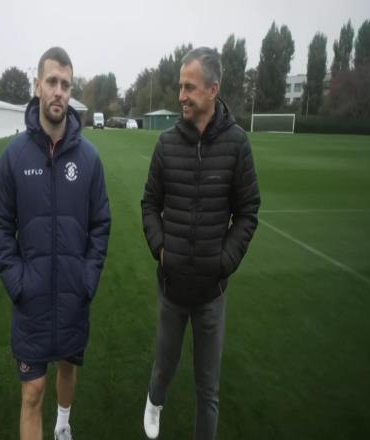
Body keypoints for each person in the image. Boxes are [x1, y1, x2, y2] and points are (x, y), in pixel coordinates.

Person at [0, 47, 111, 440]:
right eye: (52, 82)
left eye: (66, 84)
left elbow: (101, 224)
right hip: (33, 299)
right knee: (33, 392)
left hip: (74, 295)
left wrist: (87, 279)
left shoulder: (90, 159)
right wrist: (18, 283)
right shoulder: (13, 157)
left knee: (68, 368)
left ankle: (62, 425)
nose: (59, 91)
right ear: (37, 85)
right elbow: (0, 226)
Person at [141, 47, 260, 440]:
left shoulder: (237, 144)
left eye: (189, 88)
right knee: (164, 365)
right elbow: (149, 204)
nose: (181, 96)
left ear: (213, 89)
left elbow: (248, 211)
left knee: (208, 390)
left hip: (212, 292)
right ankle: (154, 400)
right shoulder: (166, 144)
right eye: (180, 87)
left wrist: (224, 261)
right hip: (172, 286)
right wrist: (161, 250)